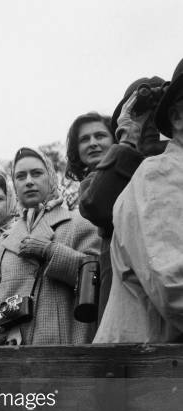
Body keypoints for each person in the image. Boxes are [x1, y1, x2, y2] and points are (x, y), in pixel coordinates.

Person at [95, 58, 183, 343]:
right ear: (177, 116)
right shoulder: (158, 173)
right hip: (148, 373)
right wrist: (128, 135)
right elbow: (173, 285)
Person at [0, 147, 100, 346]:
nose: (29, 181)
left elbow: (98, 280)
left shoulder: (81, 224)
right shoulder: (3, 242)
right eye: (21, 176)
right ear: (14, 186)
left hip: (65, 354)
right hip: (9, 356)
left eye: (36, 173)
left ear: (51, 178)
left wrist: (50, 251)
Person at [78, 77, 168, 321]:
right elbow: (97, 205)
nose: (150, 122)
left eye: (158, 113)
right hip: (125, 314)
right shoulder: (105, 176)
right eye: (140, 113)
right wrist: (129, 139)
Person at [65, 112, 114, 183]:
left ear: (114, 139)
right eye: (84, 139)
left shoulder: (133, 174)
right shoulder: (84, 189)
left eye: (100, 136)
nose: (92, 143)